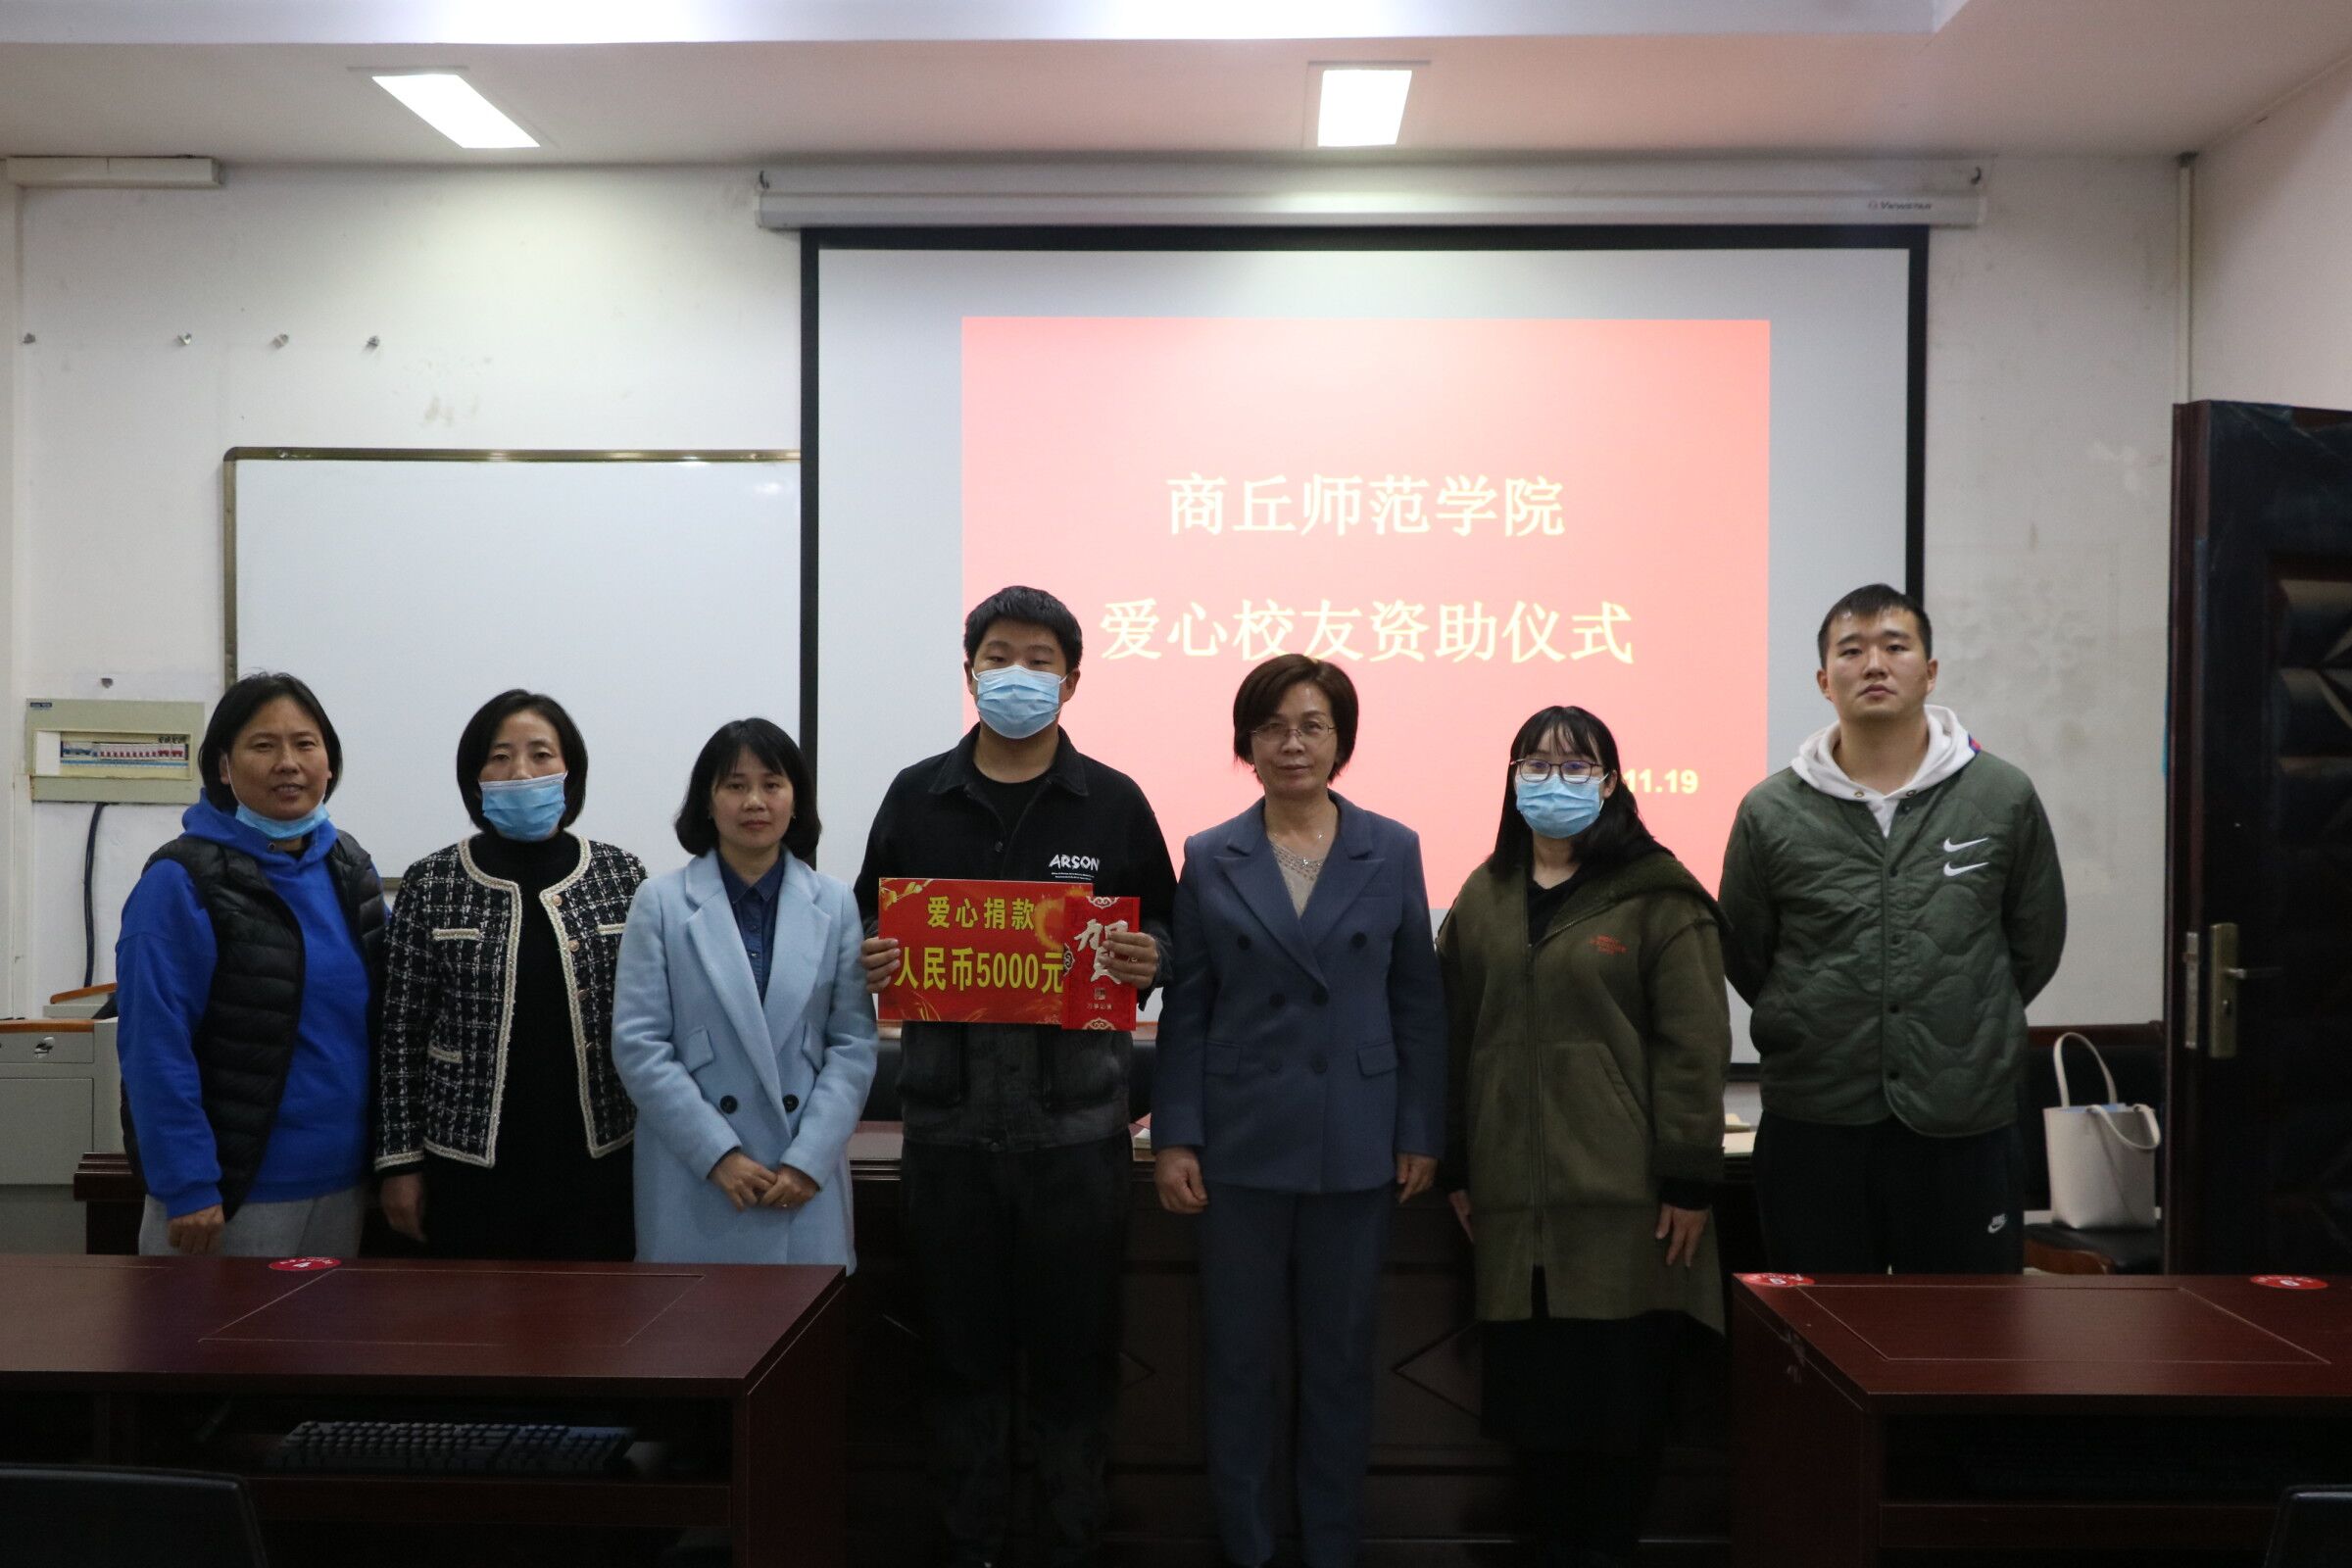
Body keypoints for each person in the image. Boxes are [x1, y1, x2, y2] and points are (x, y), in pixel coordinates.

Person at [854, 585, 1174, 1568]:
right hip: (947, 1134)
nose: (1018, 676)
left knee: (1076, 1371)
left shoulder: (1114, 801)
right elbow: (867, 918)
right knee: (959, 1368)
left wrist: (1151, 956)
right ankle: (972, 1548)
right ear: (970, 673)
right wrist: (873, 954)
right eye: (1000, 657)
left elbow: (1168, 927)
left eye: (1040, 660)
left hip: (1075, 1139)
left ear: (1071, 681)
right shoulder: (916, 796)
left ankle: (1071, 1543)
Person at [1152, 654, 1446, 1568]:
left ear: (1340, 740)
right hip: (1240, 1144)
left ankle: (1331, 1548)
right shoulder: (1210, 853)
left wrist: (1419, 1130)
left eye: (1312, 725)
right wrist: (1177, 1136)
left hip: (1356, 1140)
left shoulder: (1392, 847)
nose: (1292, 744)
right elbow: (1189, 1007)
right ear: (1247, 742)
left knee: (1340, 1363)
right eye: (1273, 727)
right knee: (1239, 1365)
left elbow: (1417, 1001)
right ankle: (1246, 1548)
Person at [1438, 706, 1729, 1568]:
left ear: (1610, 783)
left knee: (1619, 1421)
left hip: (1627, 1209)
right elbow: (1453, 1036)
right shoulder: (1484, 895)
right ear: (1512, 779)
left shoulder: (1658, 895)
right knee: (1538, 1424)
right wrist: (1458, 1162)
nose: (1554, 781)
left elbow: (1695, 1046)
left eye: (1576, 766)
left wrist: (1689, 1177)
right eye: (1536, 764)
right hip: (1513, 1212)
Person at [1719, 582, 2067, 1275]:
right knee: (1818, 1320)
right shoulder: (1770, 810)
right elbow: (1747, 953)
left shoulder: (2001, 795)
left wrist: (1958, 1015)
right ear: (1825, 681)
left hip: (1963, 1114)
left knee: (1964, 1326)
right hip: (1816, 1114)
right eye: (1851, 651)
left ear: (1929, 671)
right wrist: (1821, 1012)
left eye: (1895, 647)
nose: (1874, 664)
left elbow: (2034, 944)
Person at [115, 672, 384, 1258]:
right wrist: (187, 1183)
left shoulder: (350, 869)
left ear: (329, 764)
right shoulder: (180, 882)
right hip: (230, 1195)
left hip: (345, 1184)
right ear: (223, 767)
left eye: (305, 744)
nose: (288, 763)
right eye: (263, 745)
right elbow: (154, 1045)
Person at [374, 690, 648, 1260]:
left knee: (596, 1313)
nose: (521, 771)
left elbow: (651, 1021)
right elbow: (399, 1032)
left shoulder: (622, 876)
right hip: (466, 1163)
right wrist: (399, 1164)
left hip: (600, 1158)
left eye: (541, 754)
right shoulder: (432, 881)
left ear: (570, 771)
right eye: (500, 756)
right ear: (475, 778)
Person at [612, 718, 877, 1265]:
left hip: (801, 1177)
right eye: (735, 785)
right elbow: (639, 1046)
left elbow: (852, 1045)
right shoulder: (660, 903)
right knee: (696, 1321)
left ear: (795, 801)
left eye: (772, 784)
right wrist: (717, 1154)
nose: (755, 801)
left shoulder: (834, 903)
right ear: (707, 803)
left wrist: (809, 1159)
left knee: (806, 1318)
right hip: (697, 1175)